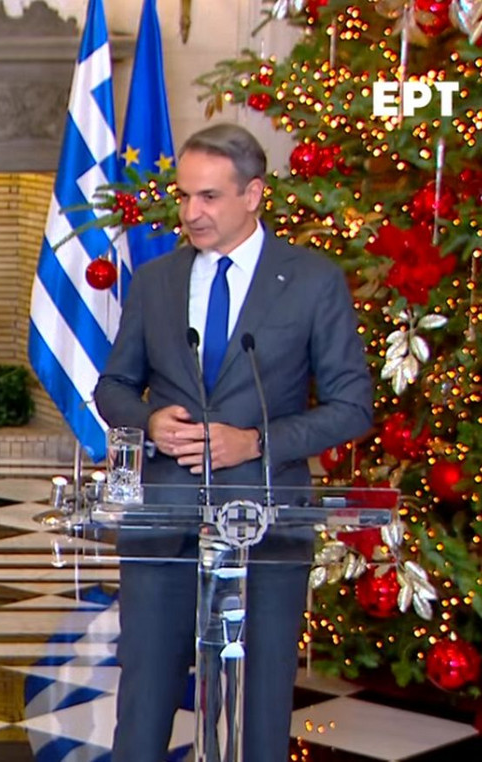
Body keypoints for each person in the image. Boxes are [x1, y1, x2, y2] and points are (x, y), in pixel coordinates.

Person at [94, 123, 373, 762]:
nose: (191, 212)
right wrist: (148, 421)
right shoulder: (156, 281)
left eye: (209, 197)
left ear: (253, 194)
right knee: (144, 702)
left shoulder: (312, 281)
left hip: (267, 527)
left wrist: (255, 442)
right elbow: (113, 386)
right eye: (184, 196)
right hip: (162, 523)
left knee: (261, 704)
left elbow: (351, 406)